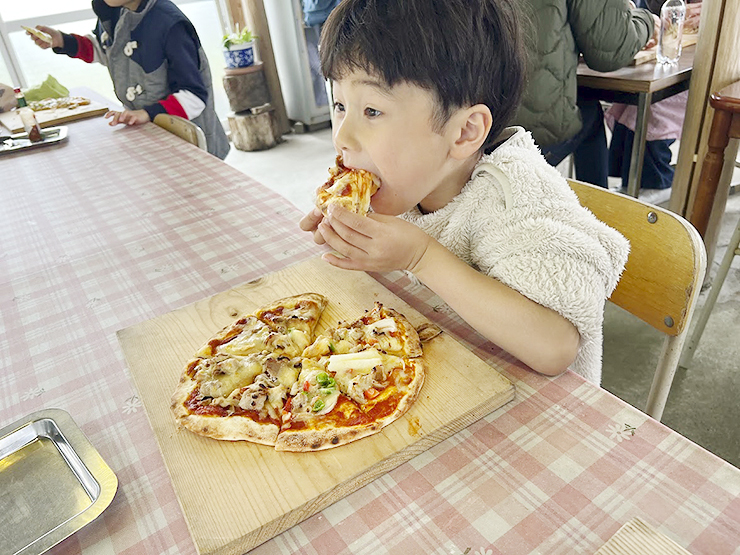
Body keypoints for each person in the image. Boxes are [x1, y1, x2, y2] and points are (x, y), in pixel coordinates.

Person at [299, 0, 630, 385]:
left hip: (542, 412)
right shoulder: (412, 181)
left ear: (465, 132)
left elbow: (556, 347)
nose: (342, 136)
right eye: (340, 105)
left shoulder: (516, 202)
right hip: (453, 374)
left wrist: (420, 256)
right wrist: (352, 236)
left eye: (372, 111)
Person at [26, 0, 230, 159]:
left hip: (191, 140)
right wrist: (62, 40)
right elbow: (106, 50)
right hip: (152, 134)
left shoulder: (170, 24)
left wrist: (147, 113)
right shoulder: (114, 12)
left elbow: (194, 96)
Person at [512, 0, 659, 188]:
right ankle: (597, 212)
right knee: (588, 116)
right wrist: (647, 21)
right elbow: (609, 48)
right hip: (518, 130)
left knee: (585, 108)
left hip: (471, 110)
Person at [607, 0, 703, 193]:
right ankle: (633, 182)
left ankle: (653, 183)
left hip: (710, 61)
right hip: (671, 47)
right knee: (630, 102)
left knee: (652, 109)